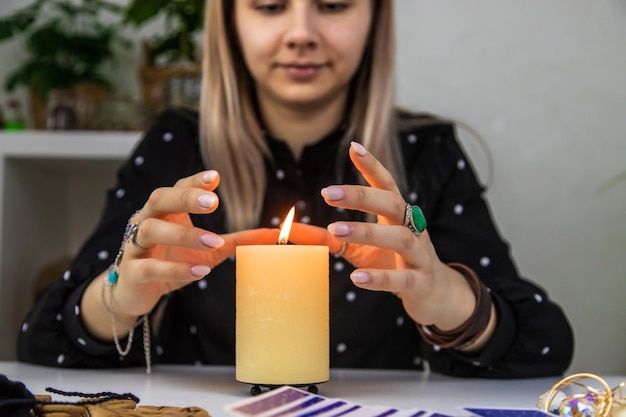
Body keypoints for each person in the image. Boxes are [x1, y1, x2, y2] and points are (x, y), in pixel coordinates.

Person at [18, 0, 573, 377]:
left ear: (376, 18)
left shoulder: (423, 151)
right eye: (268, 4)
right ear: (229, 19)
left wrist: (447, 298)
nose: (302, 32)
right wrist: (121, 296)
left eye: (333, 5)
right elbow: (39, 342)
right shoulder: (178, 147)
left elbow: (546, 346)